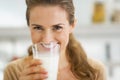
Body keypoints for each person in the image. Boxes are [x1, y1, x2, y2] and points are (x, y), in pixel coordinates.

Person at [4, 0, 106, 80]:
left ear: (72, 25)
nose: (47, 40)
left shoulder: (95, 72)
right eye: (38, 28)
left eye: (57, 28)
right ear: (29, 27)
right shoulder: (14, 72)